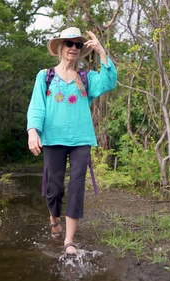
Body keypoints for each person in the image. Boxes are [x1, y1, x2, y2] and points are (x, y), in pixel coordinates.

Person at [26, 27, 117, 255]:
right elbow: (37, 106)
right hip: (53, 139)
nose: (74, 48)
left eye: (78, 45)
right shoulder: (44, 76)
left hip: (80, 139)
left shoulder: (87, 78)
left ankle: (69, 241)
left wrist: (102, 52)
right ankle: (54, 219)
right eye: (69, 44)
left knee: (76, 187)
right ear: (60, 47)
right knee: (53, 189)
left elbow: (110, 81)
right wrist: (32, 131)